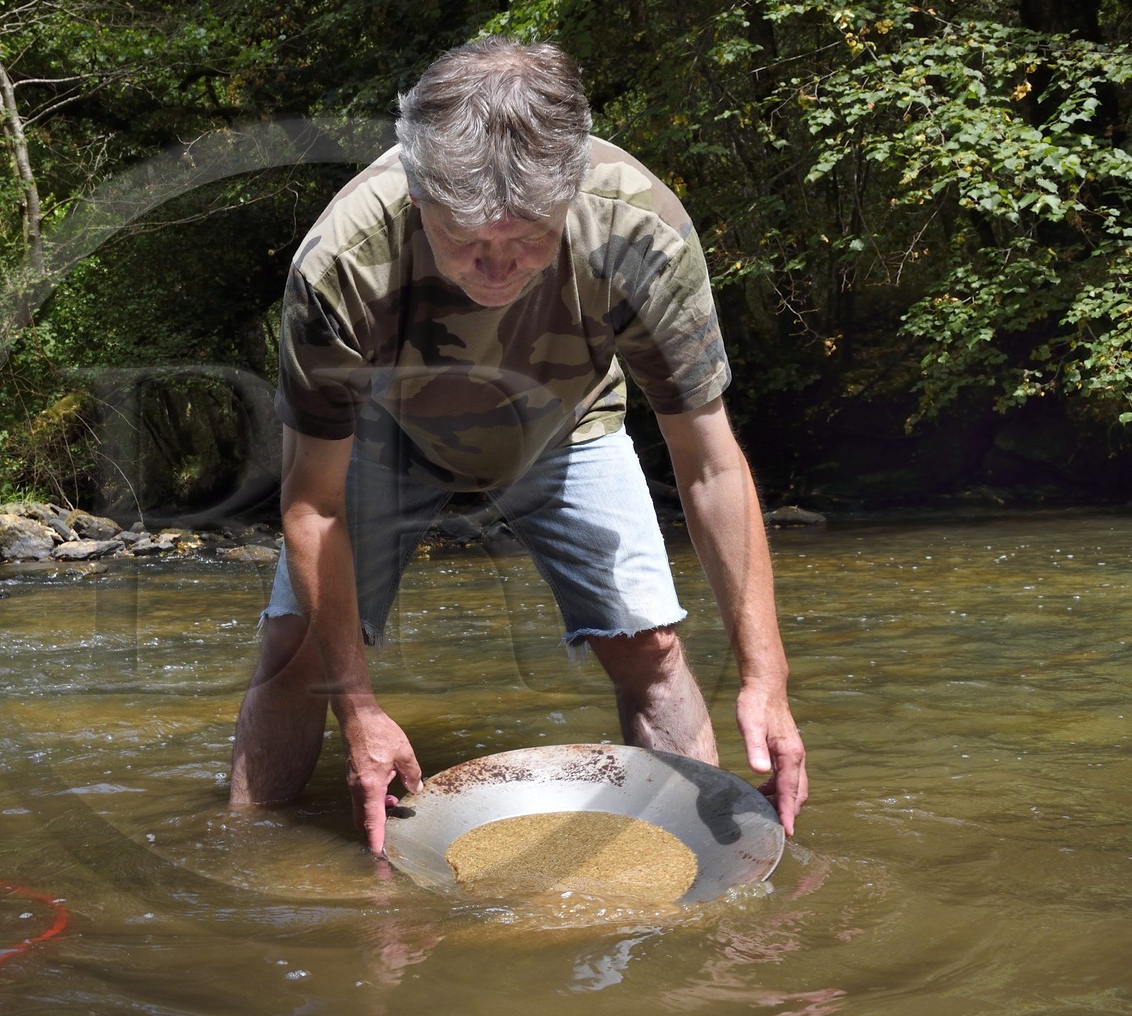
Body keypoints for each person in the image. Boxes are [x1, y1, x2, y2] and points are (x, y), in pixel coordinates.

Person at [229, 36, 808, 857]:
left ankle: (703, 867)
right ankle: (245, 865)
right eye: (466, 240)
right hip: (383, 437)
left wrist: (766, 678)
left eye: (529, 239)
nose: (497, 269)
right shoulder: (341, 261)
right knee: (296, 651)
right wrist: (356, 706)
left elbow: (711, 462)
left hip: (569, 421)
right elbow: (312, 503)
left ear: (571, 197)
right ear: (418, 192)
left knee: (648, 643)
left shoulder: (641, 230)